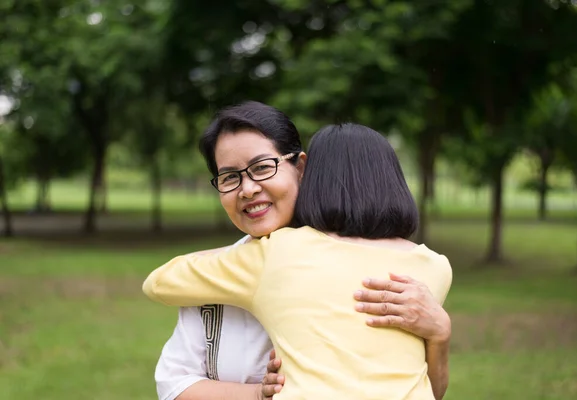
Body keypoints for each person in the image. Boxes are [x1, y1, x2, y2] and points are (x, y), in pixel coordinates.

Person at [154, 102, 452, 400]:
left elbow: (423, 386)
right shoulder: (218, 272)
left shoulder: (396, 285)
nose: (247, 189)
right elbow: (174, 383)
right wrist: (257, 394)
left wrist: (439, 333)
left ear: (301, 167)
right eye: (230, 177)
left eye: (261, 167)